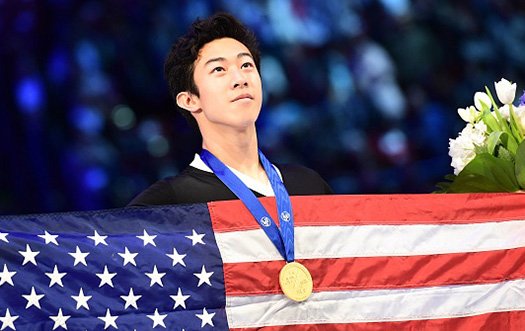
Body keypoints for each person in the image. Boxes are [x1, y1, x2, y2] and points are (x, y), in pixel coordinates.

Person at [129, 12, 332, 206]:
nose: (240, 79)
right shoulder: (172, 201)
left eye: (246, 65)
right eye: (219, 69)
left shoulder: (309, 185)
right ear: (190, 100)